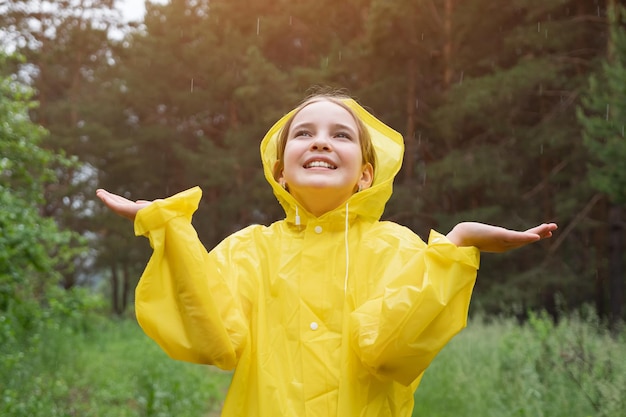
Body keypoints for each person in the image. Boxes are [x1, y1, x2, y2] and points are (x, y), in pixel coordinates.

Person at [96, 93, 557, 417]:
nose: (320, 142)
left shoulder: (398, 249)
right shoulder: (248, 250)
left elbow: (391, 350)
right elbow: (214, 338)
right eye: (304, 134)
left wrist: (453, 247)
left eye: (340, 135)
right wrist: (170, 230)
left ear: (365, 174)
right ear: (280, 173)